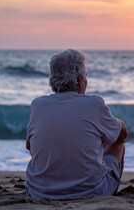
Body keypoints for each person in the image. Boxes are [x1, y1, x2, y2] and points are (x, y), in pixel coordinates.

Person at [26, 49, 127, 198]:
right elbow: (122, 135)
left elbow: (31, 147)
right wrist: (114, 124)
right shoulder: (94, 104)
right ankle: (111, 190)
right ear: (80, 80)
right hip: (94, 192)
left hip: (38, 192)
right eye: (85, 77)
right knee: (118, 144)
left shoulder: (38, 105)